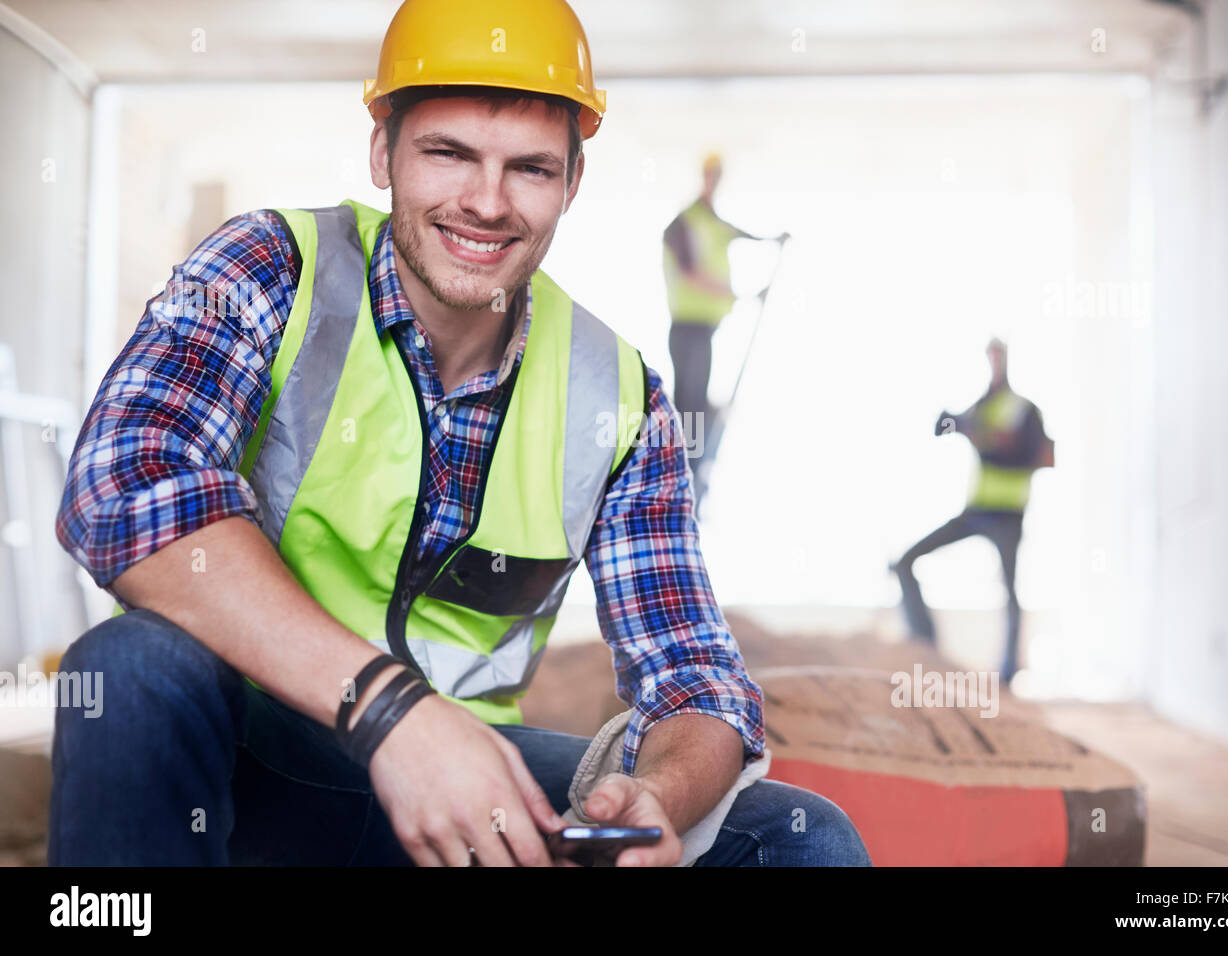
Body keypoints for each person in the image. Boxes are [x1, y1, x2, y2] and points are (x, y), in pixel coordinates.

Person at [48, 0, 868, 867]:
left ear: (572, 184)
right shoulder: (272, 268)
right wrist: (393, 712)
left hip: (474, 802)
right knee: (130, 667)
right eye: (448, 153)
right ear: (383, 153)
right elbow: (123, 485)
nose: (486, 202)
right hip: (249, 761)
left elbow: (697, 678)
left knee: (791, 839)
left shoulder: (616, 395)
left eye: (530, 169)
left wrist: (654, 802)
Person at [891, 338, 1053, 686]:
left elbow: (1039, 455)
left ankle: (1008, 675)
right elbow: (945, 428)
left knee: (1010, 590)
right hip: (977, 511)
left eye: (998, 357)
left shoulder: (1022, 410)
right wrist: (957, 424)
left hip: (1008, 514)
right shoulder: (980, 410)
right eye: (990, 358)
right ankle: (925, 649)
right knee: (906, 561)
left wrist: (988, 439)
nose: (994, 364)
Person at [662, 153, 786, 488]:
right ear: (703, 177)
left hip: (704, 329)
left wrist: (771, 241)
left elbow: (737, 233)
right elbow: (690, 273)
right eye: (711, 175)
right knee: (690, 406)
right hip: (687, 330)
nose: (714, 181)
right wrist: (741, 296)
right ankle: (682, 474)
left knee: (698, 405)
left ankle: (692, 470)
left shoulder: (712, 221)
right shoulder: (684, 223)